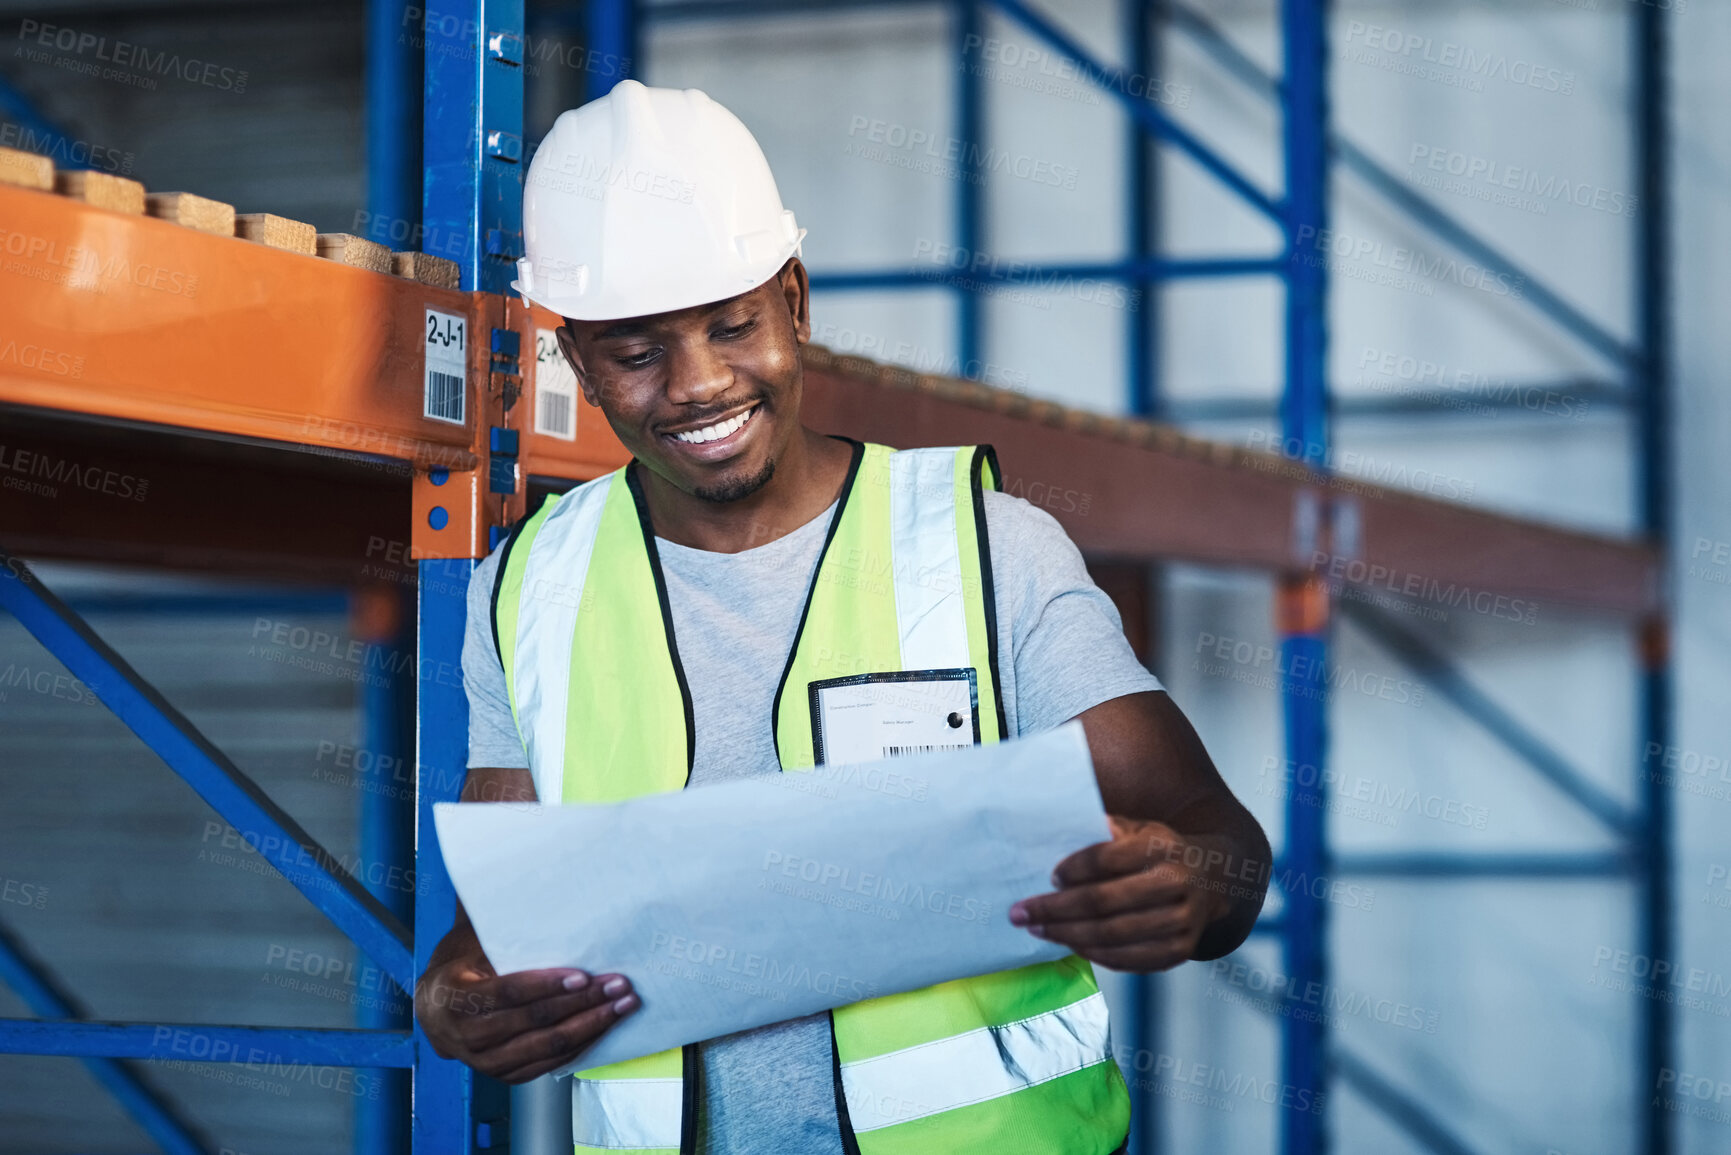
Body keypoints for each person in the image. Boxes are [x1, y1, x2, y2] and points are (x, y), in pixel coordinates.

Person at [414, 79, 1270, 1155]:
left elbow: (1222, 844)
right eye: (635, 353)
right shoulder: (528, 587)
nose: (698, 385)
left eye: (734, 326)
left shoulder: (982, 547)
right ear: (577, 360)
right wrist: (452, 996)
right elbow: (500, 922)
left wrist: (1190, 887)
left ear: (795, 304)